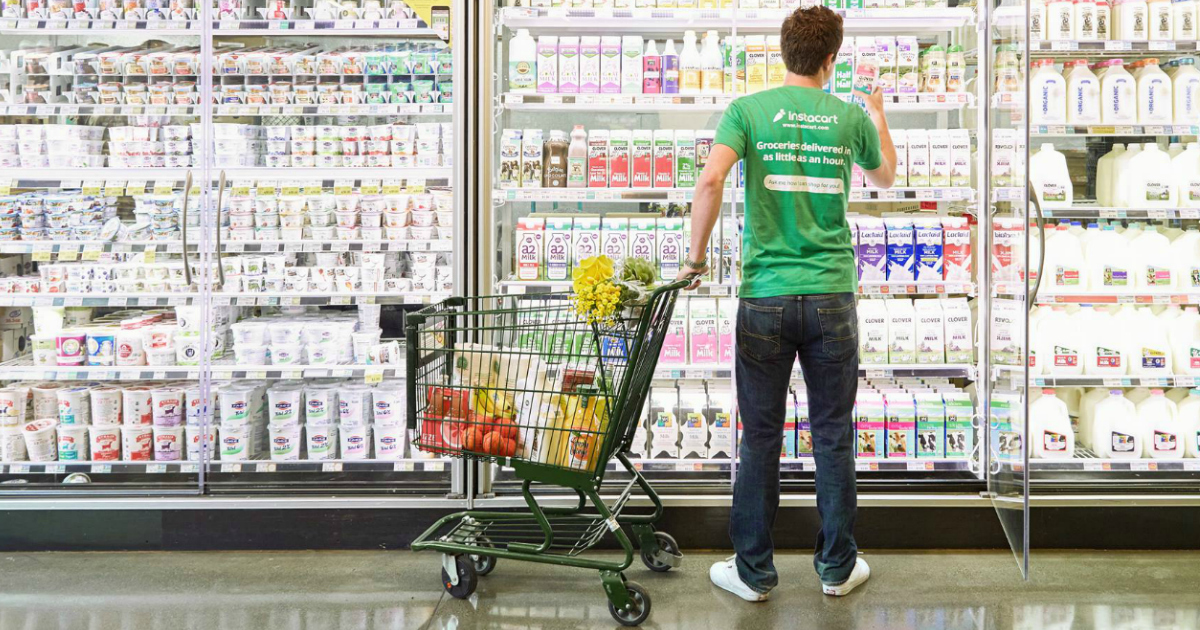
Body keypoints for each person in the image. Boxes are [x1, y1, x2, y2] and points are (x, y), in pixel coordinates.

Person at [674, 5, 897, 601]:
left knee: (761, 436)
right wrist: (877, 116)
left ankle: (753, 572)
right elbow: (885, 180)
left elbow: (710, 181)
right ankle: (836, 568)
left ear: (782, 54)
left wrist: (694, 261)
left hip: (765, 296)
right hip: (831, 296)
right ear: (831, 60)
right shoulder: (848, 117)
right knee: (832, 435)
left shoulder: (748, 110)